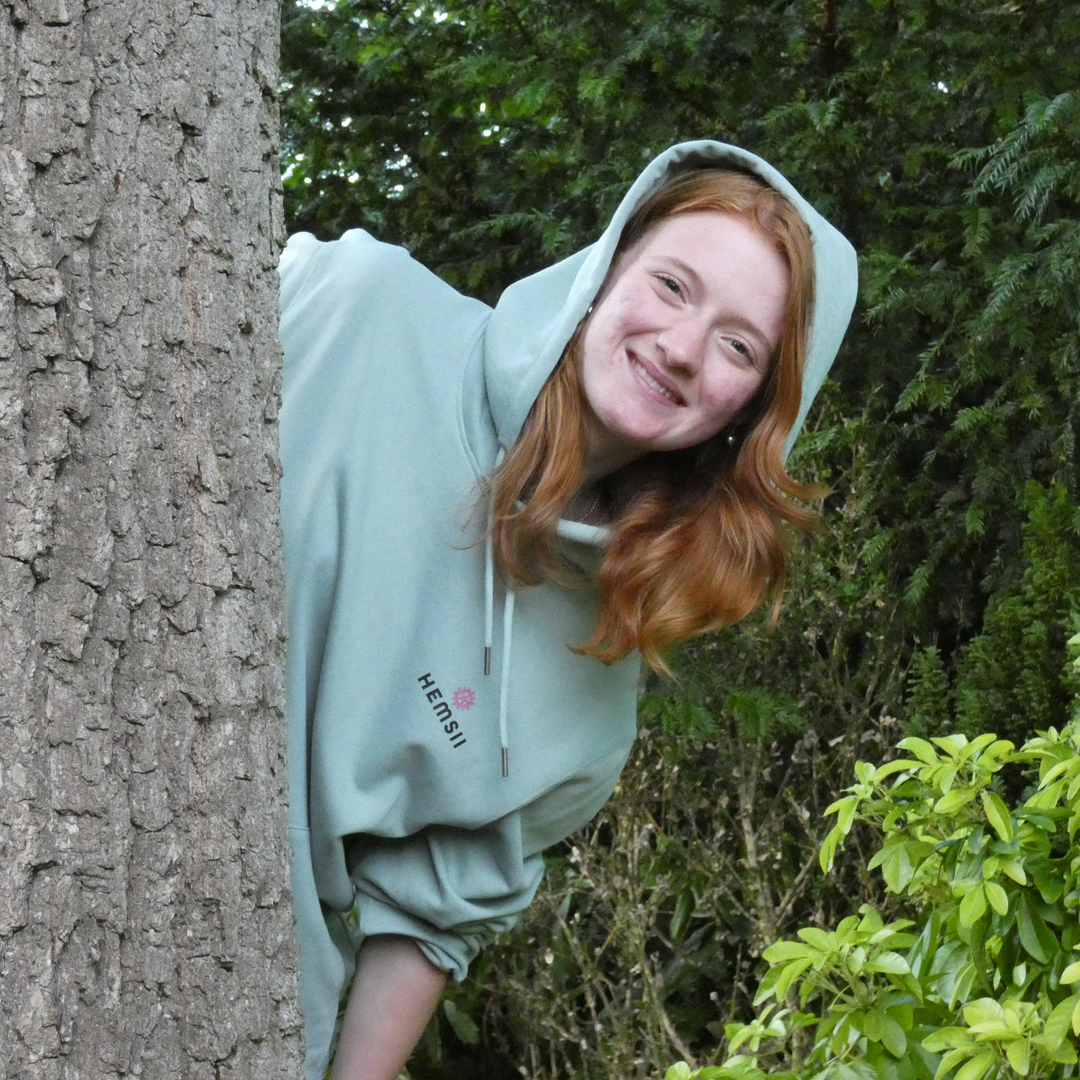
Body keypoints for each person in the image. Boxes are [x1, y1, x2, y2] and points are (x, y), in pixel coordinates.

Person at [278, 140, 858, 1080]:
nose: (680, 349)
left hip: (225, 1010)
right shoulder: (355, 303)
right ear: (603, 269)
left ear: (752, 412)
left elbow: (431, 918)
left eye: (738, 345)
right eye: (672, 286)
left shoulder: (591, 694)